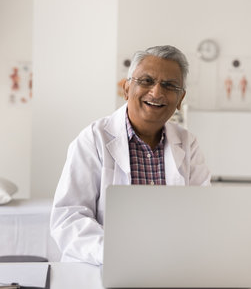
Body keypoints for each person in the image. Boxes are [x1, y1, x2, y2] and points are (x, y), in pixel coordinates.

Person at [50, 45, 211, 265]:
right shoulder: (93, 139)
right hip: (102, 267)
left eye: (169, 85)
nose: (156, 92)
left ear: (180, 98)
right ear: (126, 89)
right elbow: (69, 218)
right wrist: (119, 254)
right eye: (146, 81)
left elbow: (202, 213)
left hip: (169, 266)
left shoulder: (187, 143)